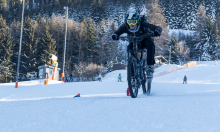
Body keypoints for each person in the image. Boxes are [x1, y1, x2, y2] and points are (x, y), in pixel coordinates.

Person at [111, 9, 162, 78]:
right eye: (129, 22)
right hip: (133, 43)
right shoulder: (126, 26)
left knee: (150, 42)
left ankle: (149, 67)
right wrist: (115, 35)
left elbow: (157, 28)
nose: (131, 24)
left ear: (137, 21)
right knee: (129, 49)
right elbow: (118, 31)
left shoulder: (143, 24)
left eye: (133, 22)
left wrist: (157, 31)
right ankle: (132, 75)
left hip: (144, 41)